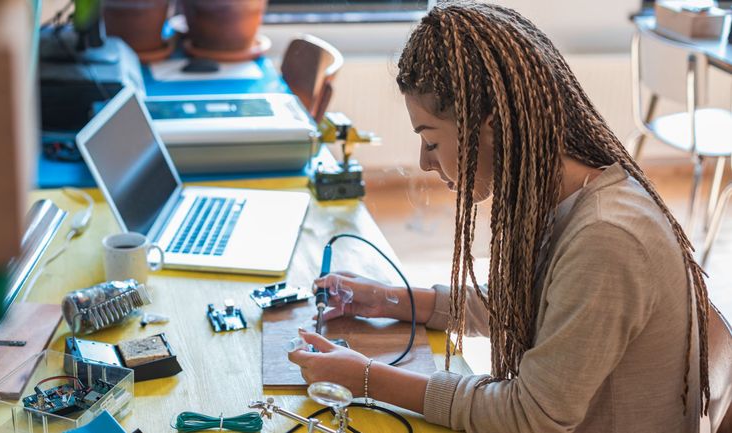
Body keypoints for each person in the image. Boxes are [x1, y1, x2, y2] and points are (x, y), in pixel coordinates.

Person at [288, 2, 710, 432]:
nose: (423, 163)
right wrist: (394, 300)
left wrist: (367, 378)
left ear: (486, 123)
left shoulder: (607, 238)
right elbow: (530, 303)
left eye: (430, 142)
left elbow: (529, 416)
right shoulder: (564, 196)